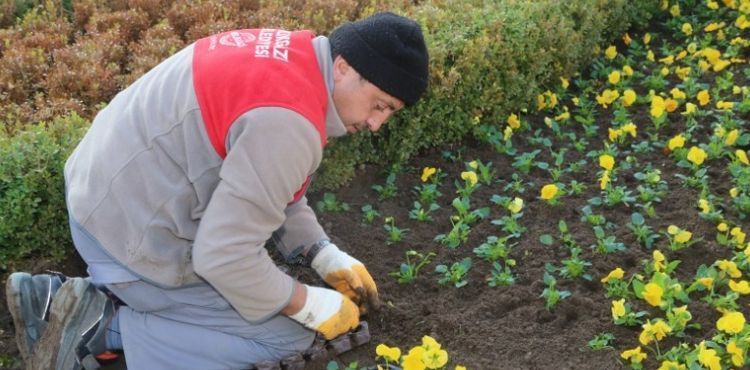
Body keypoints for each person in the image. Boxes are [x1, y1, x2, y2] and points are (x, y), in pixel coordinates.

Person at [5, 11, 428, 370]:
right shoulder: (289, 123)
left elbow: (267, 180)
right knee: (287, 338)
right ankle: (96, 324)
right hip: (131, 239)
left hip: (108, 198)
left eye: (389, 112)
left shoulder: (294, 59)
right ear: (344, 67)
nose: (376, 123)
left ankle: (64, 298)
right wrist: (308, 304)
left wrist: (320, 251)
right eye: (380, 104)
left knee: (264, 293)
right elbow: (223, 257)